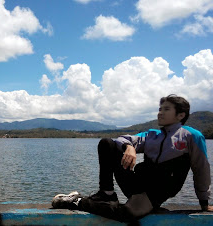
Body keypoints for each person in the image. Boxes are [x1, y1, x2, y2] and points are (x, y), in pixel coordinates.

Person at [52, 94, 212, 222]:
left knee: (127, 214)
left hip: (158, 190)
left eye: (166, 109)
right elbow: (121, 139)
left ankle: (76, 201)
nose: (160, 112)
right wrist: (128, 147)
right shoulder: (151, 135)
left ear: (180, 115)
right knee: (107, 143)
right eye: (160, 108)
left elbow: (201, 169)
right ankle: (106, 193)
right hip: (138, 183)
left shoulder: (191, 136)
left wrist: (204, 202)